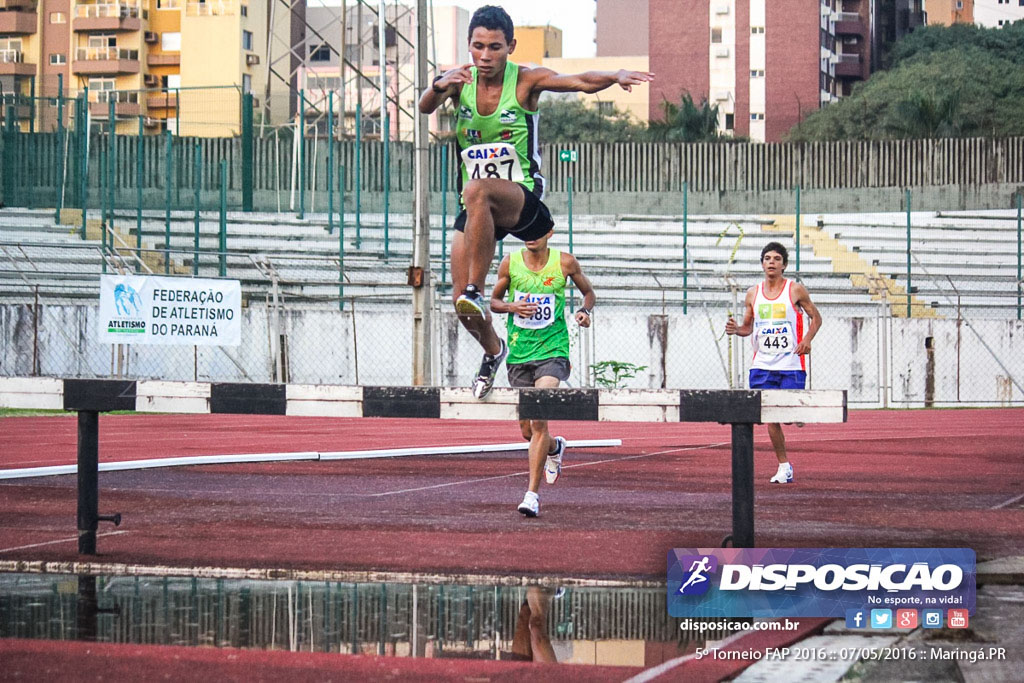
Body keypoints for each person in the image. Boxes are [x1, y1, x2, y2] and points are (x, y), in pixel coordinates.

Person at [418, 4, 653, 399]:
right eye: (478, 47)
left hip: (523, 200)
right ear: (469, 46)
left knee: (477, 191)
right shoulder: (459, 80)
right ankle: (493, 351)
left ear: (510, 46)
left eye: (495, 47)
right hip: (478, 209)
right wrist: (440, 86)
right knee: (461, 304)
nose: (486, 56)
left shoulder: (525, 80)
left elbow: (577, 80)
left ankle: (479, 288)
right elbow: (424, 105)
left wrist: (614, 76)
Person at [490, 227, 594, 517]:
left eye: (536, 230)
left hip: (553, 352)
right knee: (528, 430)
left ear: (549, 232)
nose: (530, 235)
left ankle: (532, 495)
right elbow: (494, 302)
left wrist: (585, 312)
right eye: (525, 230)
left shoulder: (565, 263)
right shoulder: (510, 263)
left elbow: (588, 292)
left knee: (538, 418)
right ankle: (554, 447)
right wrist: (512, 305)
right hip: (520, 353)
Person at [725, 242, 822, 483]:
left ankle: (797, 414)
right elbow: (748, 327)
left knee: (788, 413)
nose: (771, 262)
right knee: (770, 414)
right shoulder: (752, 293)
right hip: (762, 365)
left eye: (777, 258)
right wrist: (736, 329)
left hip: (791, 363)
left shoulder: (795, 290)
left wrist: (807, 340)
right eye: (767, 258)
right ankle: (784, 466)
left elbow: (816, 318)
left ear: (784, 265)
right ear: (761, 263)